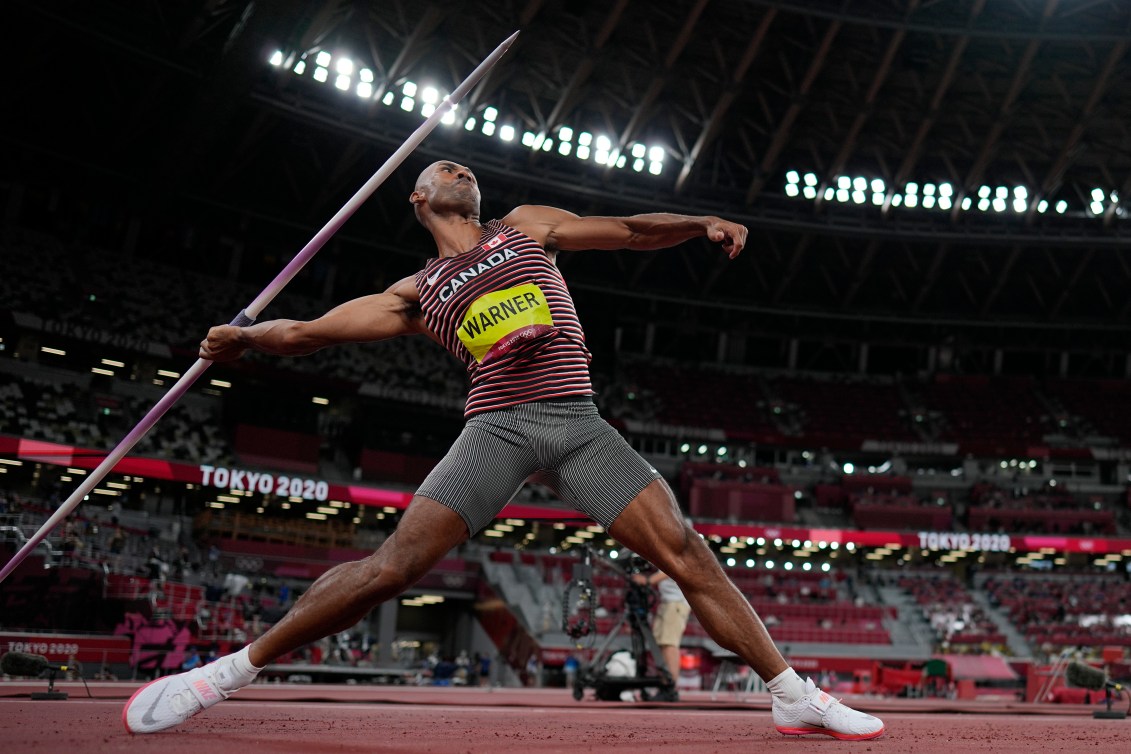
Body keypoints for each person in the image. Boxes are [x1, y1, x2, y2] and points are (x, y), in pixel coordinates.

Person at [123, 159, 884, 741]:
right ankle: (223, 675)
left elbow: (625, 230)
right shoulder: (416, 290)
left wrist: (696, 222)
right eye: (442, 168)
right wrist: (243, 337)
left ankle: (791, 696)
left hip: (578, 423)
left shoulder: (525, 228)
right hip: (495, 426)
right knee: (392, 568)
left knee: (684, 549)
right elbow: (308, 332)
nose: (459, 169)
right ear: (417, 199)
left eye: (465, 167)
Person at [631, 566, 690, 701]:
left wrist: (647, 580)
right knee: (662, 645)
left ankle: (670, 687)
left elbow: (669, 570)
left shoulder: (673, 554)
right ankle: (665, 684)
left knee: (669, 644)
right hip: (668, 603)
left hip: (675, 603)